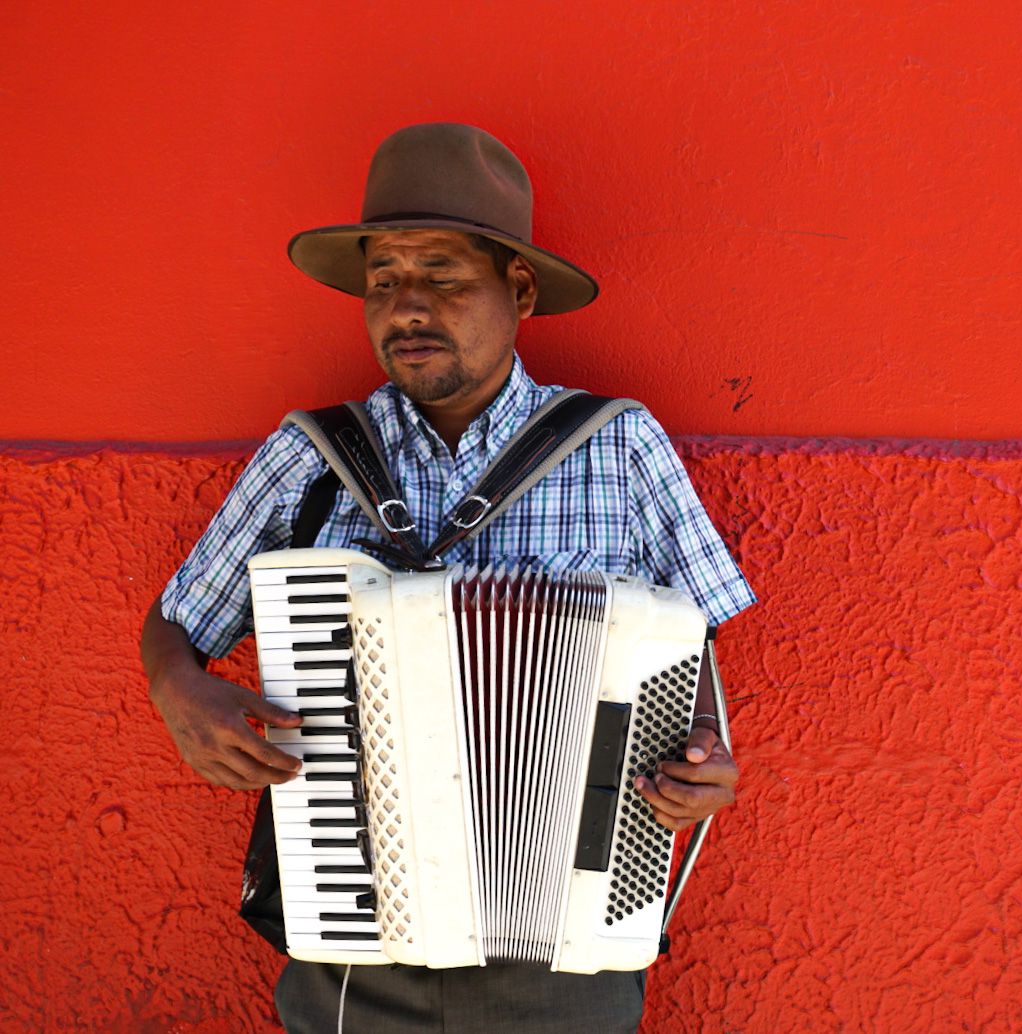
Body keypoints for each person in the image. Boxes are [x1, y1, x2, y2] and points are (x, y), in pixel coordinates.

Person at [139, 122, 755, 1033]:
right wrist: (178, 690)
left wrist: (699, 757)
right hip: (354, 939)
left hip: (564, 941)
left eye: (443, 275)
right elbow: (179, 624)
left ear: (520, 290)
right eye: (384, 281)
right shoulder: (310, 456)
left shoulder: (619, 445)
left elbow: (690, 654)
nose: (408, 307)